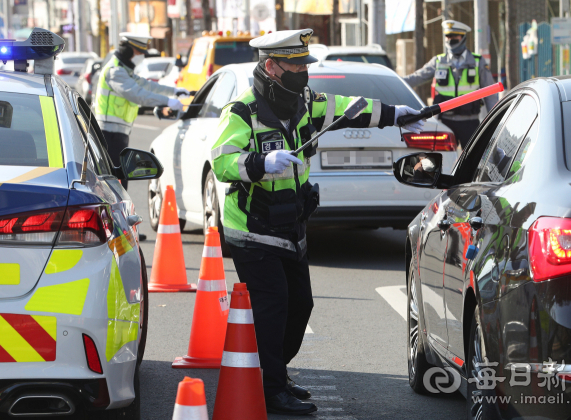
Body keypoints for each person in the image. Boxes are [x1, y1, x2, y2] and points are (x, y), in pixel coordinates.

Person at [211, 29, 425, 416]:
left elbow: (350, 107)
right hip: (252, 230)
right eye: (295, 64)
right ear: (272, 67)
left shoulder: (304, 102)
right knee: (273, 306)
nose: (303, 71)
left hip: (291, 226)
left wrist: (398, 114)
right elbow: (222, 162)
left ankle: (275, 372)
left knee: (301, 306)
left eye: (305, 64)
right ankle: (271, 388)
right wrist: (261, 163)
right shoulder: (242, 111)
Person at [95, 33, 189, 189]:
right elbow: (138, 95)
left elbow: (147, 86)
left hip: (118, 134)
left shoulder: (124, 71)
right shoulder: (115, 72)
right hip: (109, 135)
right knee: (115, 183)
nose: (141, 56)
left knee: (119, 182)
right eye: (138, 52)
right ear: (128, 51)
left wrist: (174, 91)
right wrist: (168, 101)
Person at [403, 20, 498, 149]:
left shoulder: (477, 61)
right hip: (445, 122)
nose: (450, 40)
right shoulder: (438, 61)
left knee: (473, 162)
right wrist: (393, 81)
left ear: (463, 37)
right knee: (442, 161)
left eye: (454, 36)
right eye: (447, 36)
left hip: (469, 123)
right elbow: (417, 77)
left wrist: (495, 121)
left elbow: (490, 93)